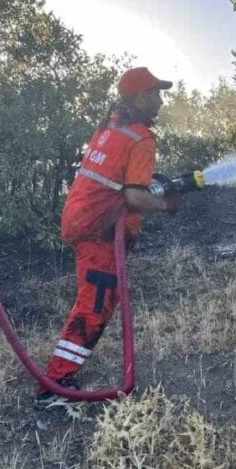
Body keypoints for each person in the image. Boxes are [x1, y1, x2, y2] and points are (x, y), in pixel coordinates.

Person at [37, 66, 180, 407]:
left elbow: (117, 179)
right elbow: (134, 197)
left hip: (80, 218)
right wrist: (165, 205)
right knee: (95, 305)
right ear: (141, 96)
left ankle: (59, 377)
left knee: (99, 300)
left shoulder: (110, 128)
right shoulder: (141, 137)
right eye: (156, 94)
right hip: (99, 228)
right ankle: (54, 385)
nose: (161, 102)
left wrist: (152, 184)